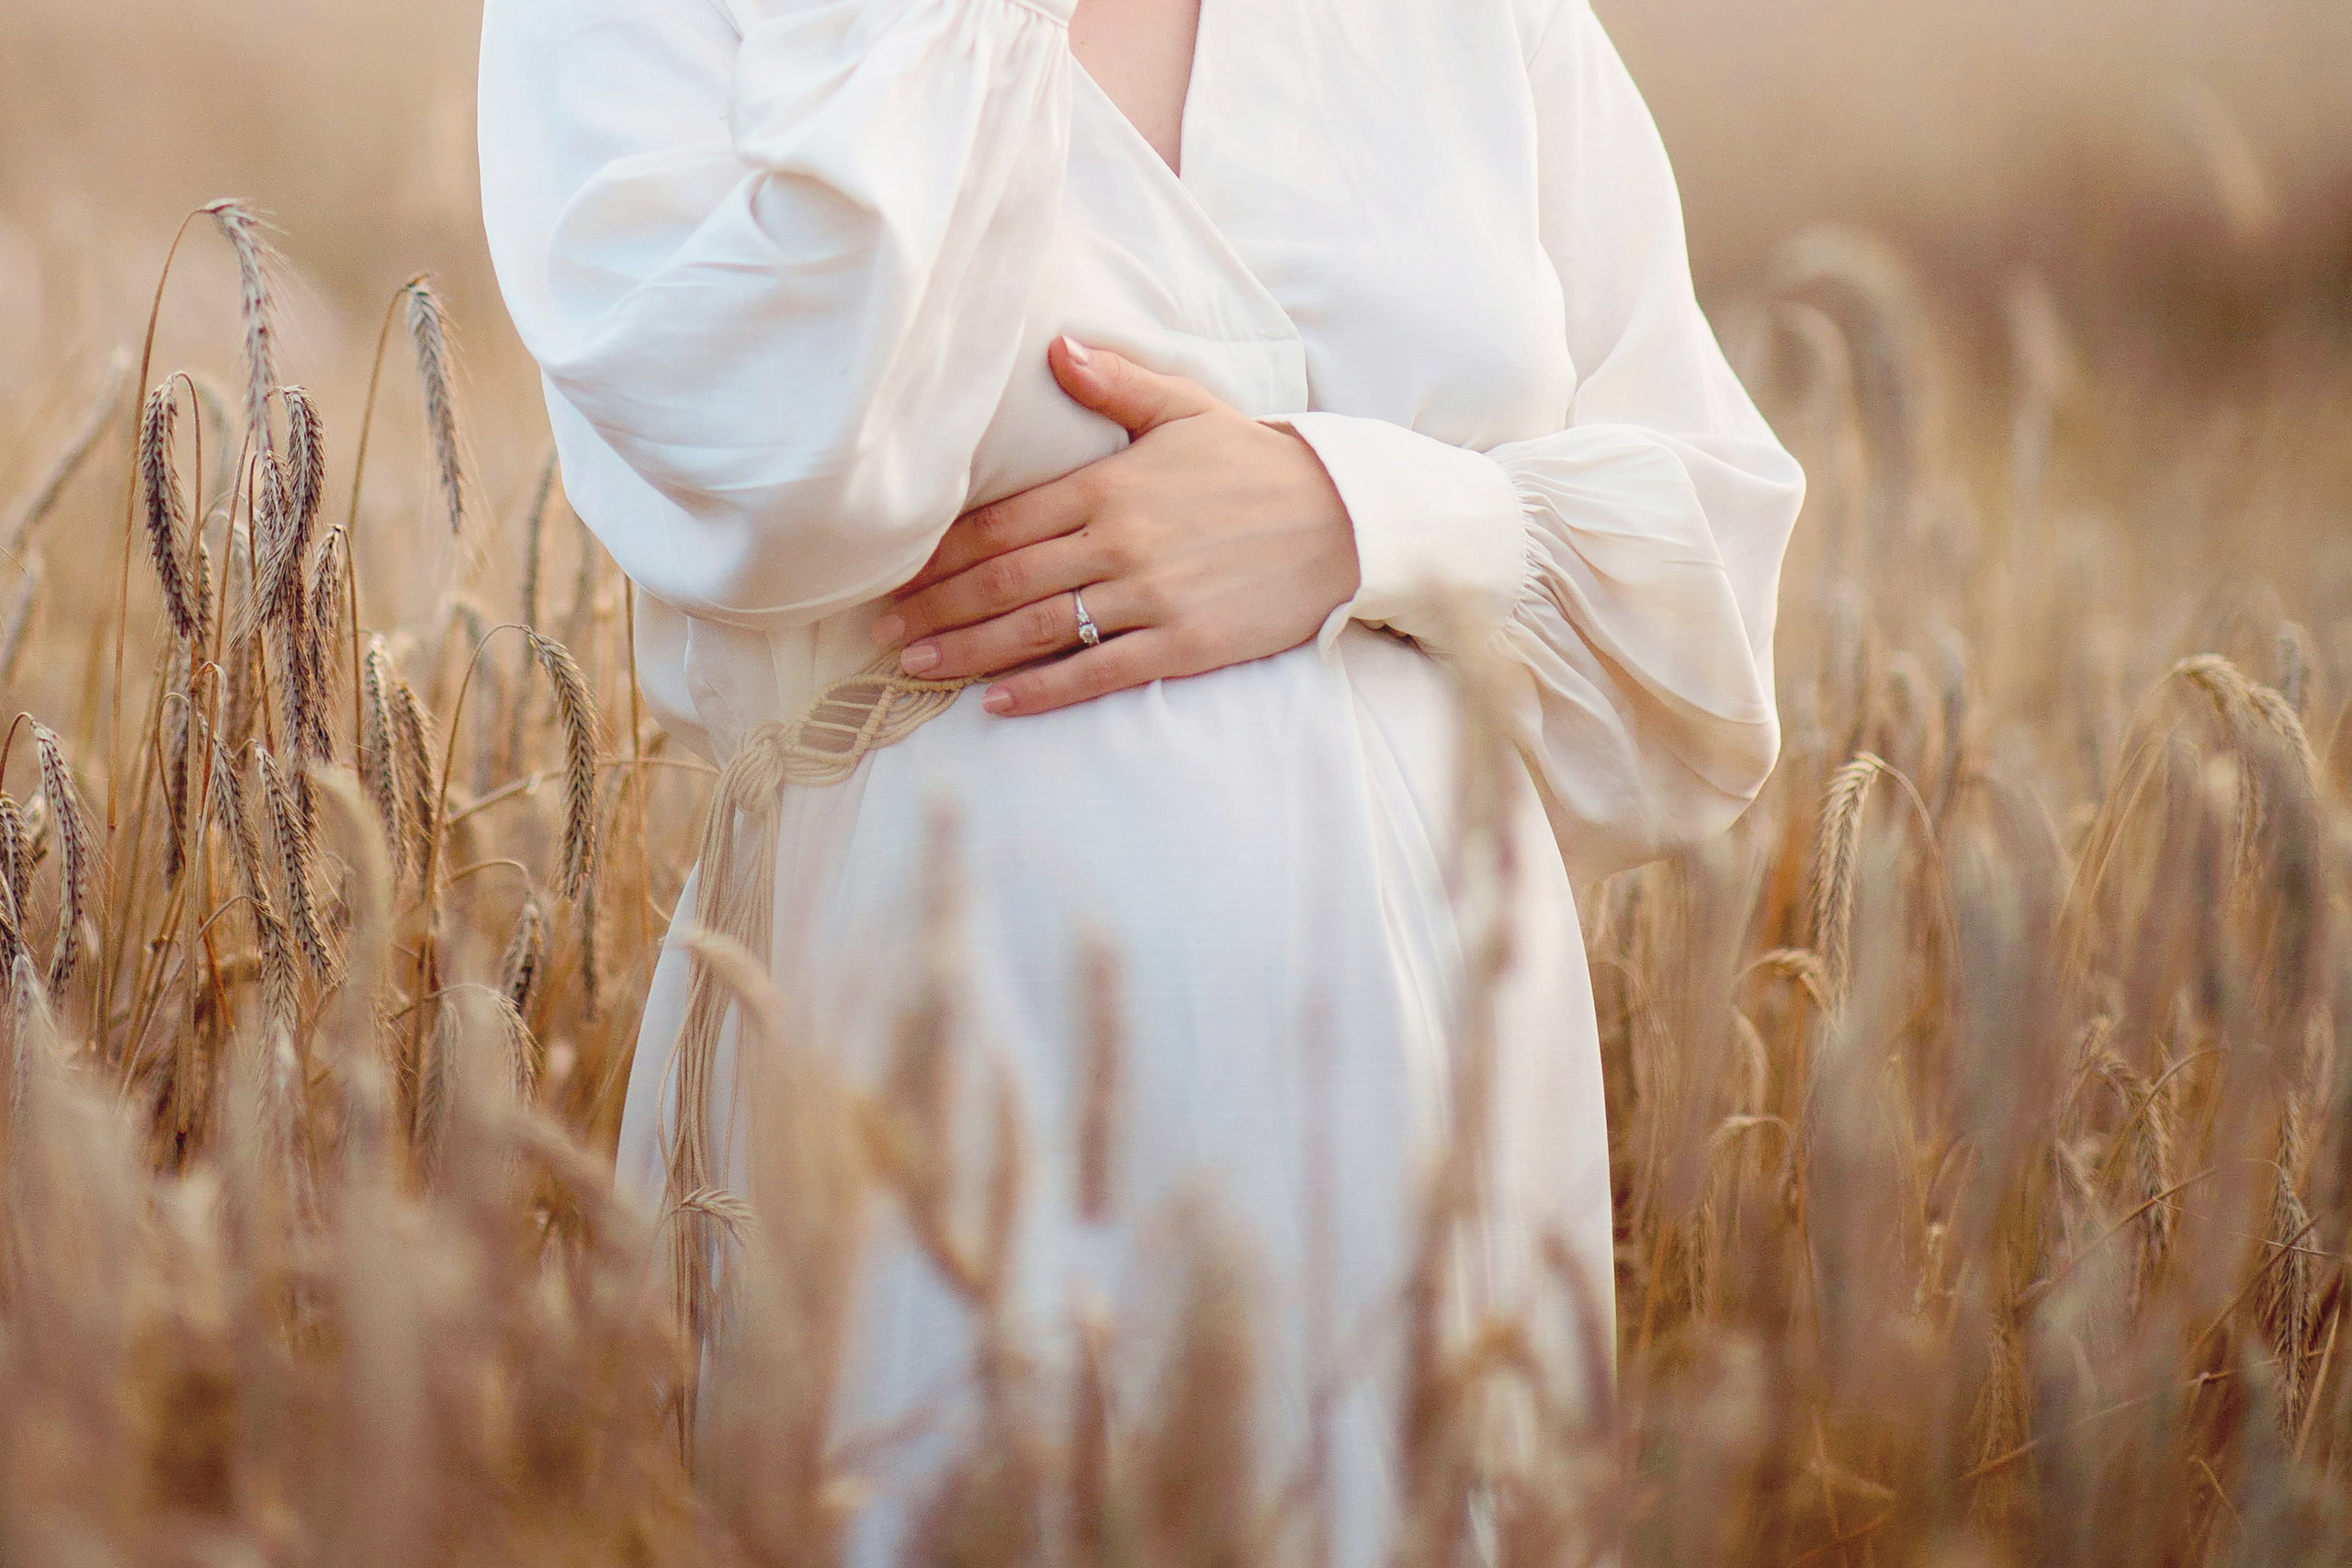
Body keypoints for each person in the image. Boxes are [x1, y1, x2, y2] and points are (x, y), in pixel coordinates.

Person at [478, 0, 1803, 1556]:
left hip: (1426, 1110)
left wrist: (1354, 513)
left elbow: (1704, 645)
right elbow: (775, 470)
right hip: (936, 1090)